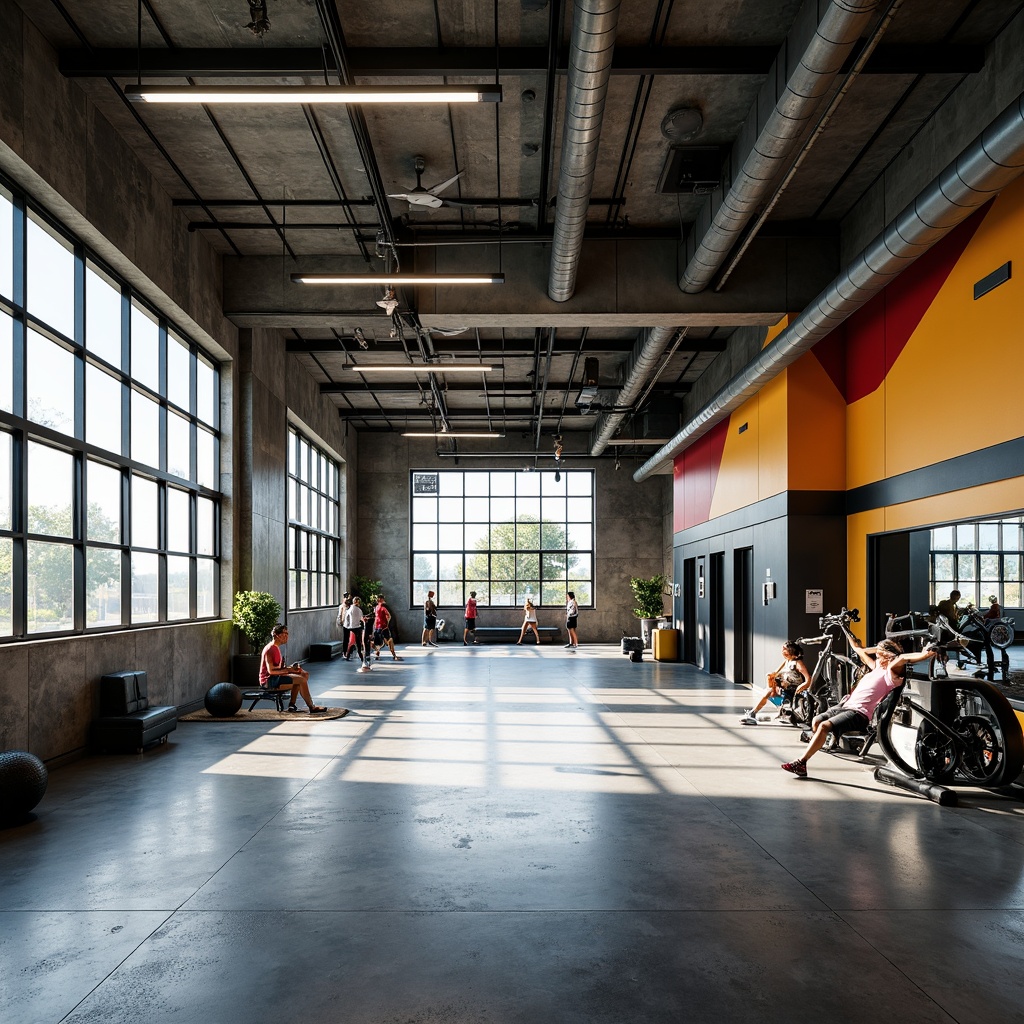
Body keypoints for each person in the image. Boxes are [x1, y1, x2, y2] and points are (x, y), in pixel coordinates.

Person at [781, 637, 936, 777]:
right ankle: (831, 737)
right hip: (846, 705)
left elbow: (902, 658)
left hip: (859, 714)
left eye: (880, 655)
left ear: (889, 656)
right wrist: (846, 631)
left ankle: (801, 763)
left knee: (823, 726)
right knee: (816, 721)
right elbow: (858, 650)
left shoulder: (891, 672)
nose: (877, 657)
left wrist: (926, 654)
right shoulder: (876, 668)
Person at [259, 624, 328, 713]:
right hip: (269, 681)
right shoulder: (271, 649)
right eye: (284, 633)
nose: (287, 636)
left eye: (287, 633)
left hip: (276, 678)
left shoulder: (276, 648)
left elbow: (278, 669)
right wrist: (289, 670)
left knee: (304, 674)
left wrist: (292, 669)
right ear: (277, 635)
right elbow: (271, 671)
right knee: (301, 680)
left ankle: (292, 705)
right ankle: (311, 707)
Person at [739, 641, 810, 725]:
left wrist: (801, 687)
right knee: (768, 691)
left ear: (792, 651)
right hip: (784, 691)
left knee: (768, 692)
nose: (783, 652)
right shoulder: (786, 661)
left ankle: (753, 713)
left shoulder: (798, 663)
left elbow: (808, 679)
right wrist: (771, 679)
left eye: (785, 650)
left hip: (794, 694)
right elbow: (775, 673)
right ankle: (753, 713)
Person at [372, 595, 403, 662]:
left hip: (381, 627)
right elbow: (386, 616)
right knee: (379, 641)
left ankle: (393, 655)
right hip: (379, 627)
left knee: (387, 640)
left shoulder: (381, 608)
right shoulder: (378, 607)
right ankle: (379, 654)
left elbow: (388, 616)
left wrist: (386, 623)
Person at [343, 596, 365, 663]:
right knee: (358, 643)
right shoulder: (358, 610)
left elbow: (346, 618)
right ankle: (361, 657)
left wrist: (347, 626)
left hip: (350, 628)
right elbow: (362, 618)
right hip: (356, 628)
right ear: (357, 602)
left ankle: (348, 655)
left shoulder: (349, 609)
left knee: (351, 642)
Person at [337, 592, 352, 658]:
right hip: (346, 624)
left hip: (350, 623)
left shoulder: (350, 606)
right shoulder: (343, 606)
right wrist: (340, 622)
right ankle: (345, 652)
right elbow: (340, 615)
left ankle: (348, 652)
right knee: (346, 639)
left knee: (349, 638)